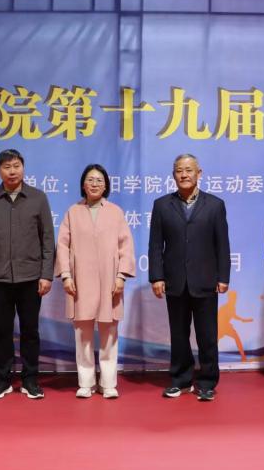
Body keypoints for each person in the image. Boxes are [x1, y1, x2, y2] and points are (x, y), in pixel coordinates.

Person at [148, 153, 230, 402]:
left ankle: (207, 382)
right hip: (174, 281)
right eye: (179, 170)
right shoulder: (162, 205)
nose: (184, 175)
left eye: (188, 170)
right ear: (173, 175)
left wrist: (223, 277)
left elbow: (222, 245)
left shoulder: (215, 205)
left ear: (199, 173)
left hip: (205, 280)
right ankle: (180, 380)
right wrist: (156, 277)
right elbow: (155, 245)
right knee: (179, 335)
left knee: (207, 336)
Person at [0, 149, 55, 400]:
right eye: (7, 167)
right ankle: (3, 379)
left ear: (23, 168)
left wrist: (46, 275)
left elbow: (47, 240)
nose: (12, 171)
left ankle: (30, 380)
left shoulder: (38, 198)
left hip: (31, 278)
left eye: (16, 165)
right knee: (3, 331)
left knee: (30, 331)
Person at [55, 164, 136, 399]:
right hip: (80, 283)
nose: (94, 184)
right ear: (83, 184)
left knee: (109, 334)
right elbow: (62, 246)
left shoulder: (115, 212)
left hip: (110, 282)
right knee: (83, 335)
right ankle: (86, 382)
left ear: (106, 185)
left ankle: (108, 383)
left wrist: (121, 276)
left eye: (99, 180)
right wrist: (66, 275)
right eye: (90, 179)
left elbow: (126, 246)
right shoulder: (73, 212)